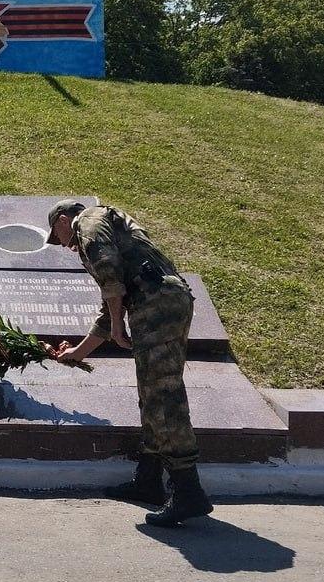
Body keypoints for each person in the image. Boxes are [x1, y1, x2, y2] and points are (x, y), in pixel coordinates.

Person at [45, 200, 214, 527]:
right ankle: (148, 480)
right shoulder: (109, 226)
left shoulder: (89, 221)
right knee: (153, 392)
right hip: (161, 301)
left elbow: (108, 273)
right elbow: (110, 308)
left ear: (64, 219)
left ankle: (187, 490)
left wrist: (119, 324)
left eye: (59, 236)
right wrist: (77, 353)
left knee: (163, 396)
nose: (65, 245)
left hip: (156, 304)